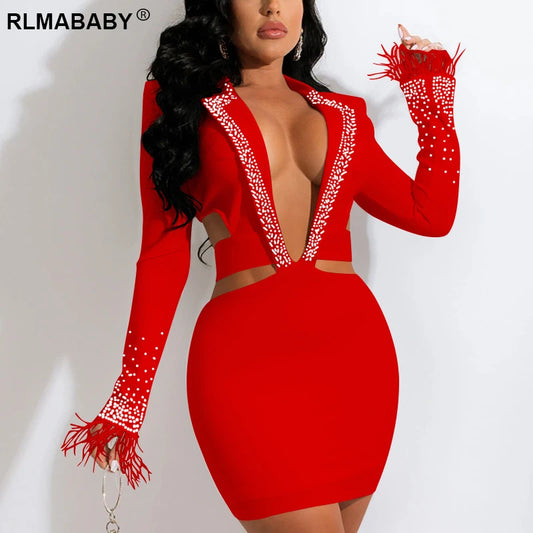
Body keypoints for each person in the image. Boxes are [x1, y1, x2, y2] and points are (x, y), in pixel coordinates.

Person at [60, 1, 463, 532]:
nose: (273, 6)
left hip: (355, 362)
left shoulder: (346, 113)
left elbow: (429, 214)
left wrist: (432, 103)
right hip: (247, 365)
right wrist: (130, 395)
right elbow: (162, 253)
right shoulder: (179, 104)